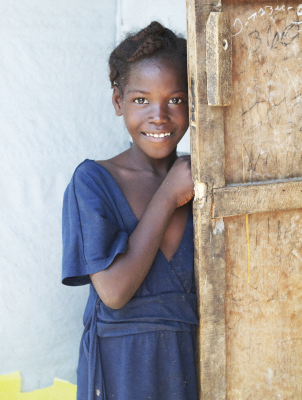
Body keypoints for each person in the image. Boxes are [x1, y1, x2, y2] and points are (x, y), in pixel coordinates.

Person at [62, 21, 198, 400]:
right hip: (121, 371)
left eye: (175, 99)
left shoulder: (202, 181)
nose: (159, 115)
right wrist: (168, 195)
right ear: (118, 101)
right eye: (141, 100)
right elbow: (115, 291)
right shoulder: (92, 182)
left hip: (191, 367)